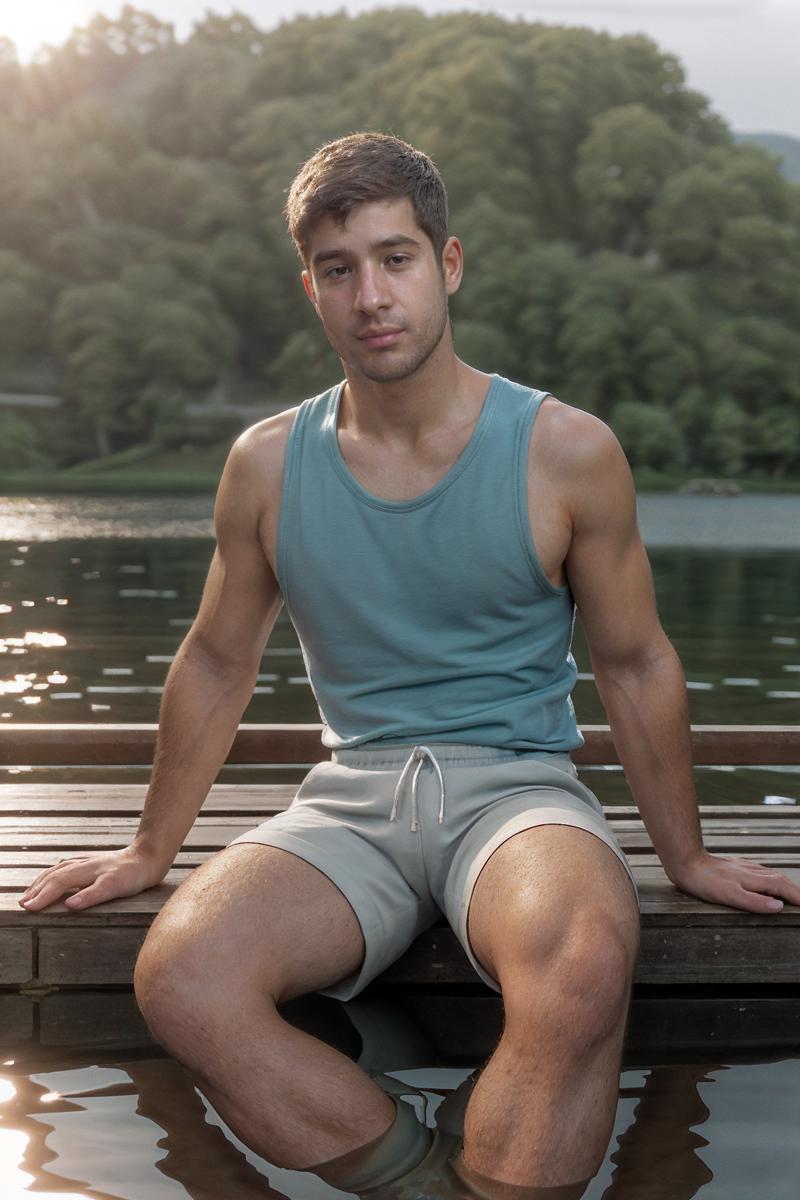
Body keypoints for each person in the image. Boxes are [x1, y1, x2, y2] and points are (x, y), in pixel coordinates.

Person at [19, 132, 800, 1198]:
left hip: (517, 797)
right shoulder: (264, 463)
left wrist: (690, 857)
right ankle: (422, 1183)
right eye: (338, 270)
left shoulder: (565, 450)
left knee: (579, 963)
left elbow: (632, 662)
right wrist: (152, 849)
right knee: (182, 975)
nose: (369, 295)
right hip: (350, 805)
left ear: (448, 265)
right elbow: (213, 661)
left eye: (394, 258)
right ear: (310, 289)